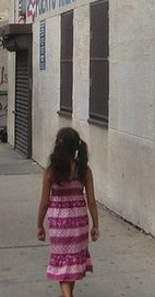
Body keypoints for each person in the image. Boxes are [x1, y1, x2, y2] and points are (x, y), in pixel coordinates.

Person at [37, 127, 99, 297]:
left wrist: (39, 225)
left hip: (58, 222)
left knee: (62, 261)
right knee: (71, 262)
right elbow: (92, 202)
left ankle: (67, 295)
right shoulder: (84, 171)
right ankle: (67, 294)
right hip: (79, 221)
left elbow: (44, 202)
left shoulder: (51, 171)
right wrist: (95, 225)